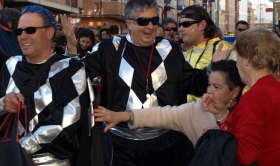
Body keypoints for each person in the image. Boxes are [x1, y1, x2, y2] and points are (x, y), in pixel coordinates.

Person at [61, 0, 211, 166]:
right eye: (143, 21)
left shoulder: (171, 49)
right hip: (121, 147)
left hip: (166, 145)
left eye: (154, 21)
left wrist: (214, 68)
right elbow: (77, 77)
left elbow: (196, 84)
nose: (150, 27)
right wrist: (72, 49)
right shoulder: (110, 48)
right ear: (128, 24)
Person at [0, 5, 91, 166]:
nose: (22, 36)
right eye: (19, 31)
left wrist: (20, 146)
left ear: (49, 32)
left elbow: (67, 122)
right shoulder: (11, 64)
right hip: (9, 158)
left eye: (30, 30)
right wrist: (2, 104)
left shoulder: (70, 68)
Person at [94, 60, 244, 147]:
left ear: (235, 91)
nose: (210, 91)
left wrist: (220, 116)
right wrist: (122, 116)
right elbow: (161, 115)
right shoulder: (196, 111)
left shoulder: (248, 111)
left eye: (217, 87)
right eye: (209, 84)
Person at [203, 27, 280, 166]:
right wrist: (221, 116)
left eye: (237, 56)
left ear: (248, 60)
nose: (236, 62)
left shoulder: (254, 97)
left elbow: (244, 156)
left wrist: (218, 140)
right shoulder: (273, 87)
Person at [179, 5, 232, 101]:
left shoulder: (222, 48)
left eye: (186, 24)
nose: (181, 29)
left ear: (202, 25)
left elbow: (242, 86)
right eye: (180, 25)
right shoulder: (182, 54)